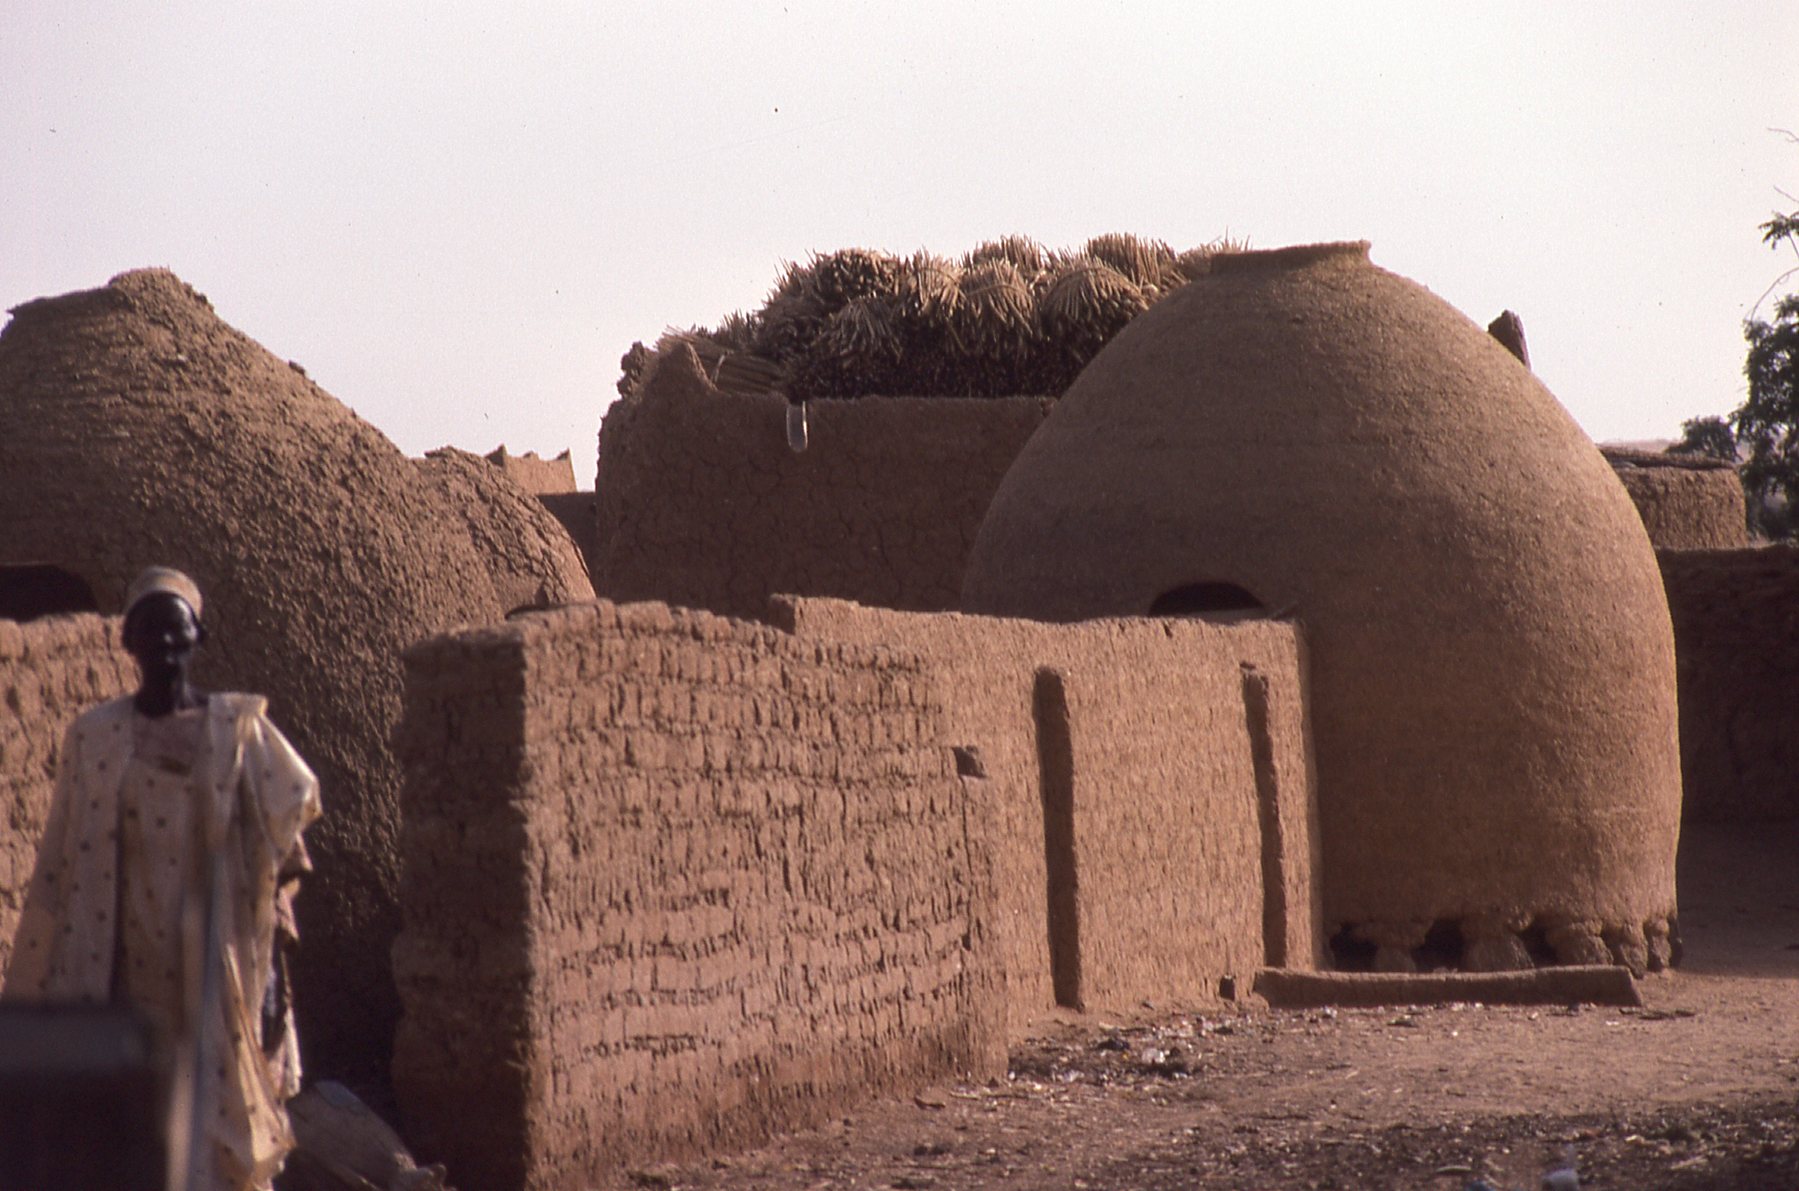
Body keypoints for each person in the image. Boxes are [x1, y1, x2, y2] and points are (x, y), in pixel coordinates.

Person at [3, 567, 321, 1191]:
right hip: (118, 974)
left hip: (211, 973)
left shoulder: (240, 734)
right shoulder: (95, 738)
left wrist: (273, 982)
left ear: (199, 635)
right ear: (127, 641)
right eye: (149, 630)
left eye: (177, 629)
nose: (164, 644)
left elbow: (278, 862)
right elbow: (59, 866)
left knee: (212, 1138)